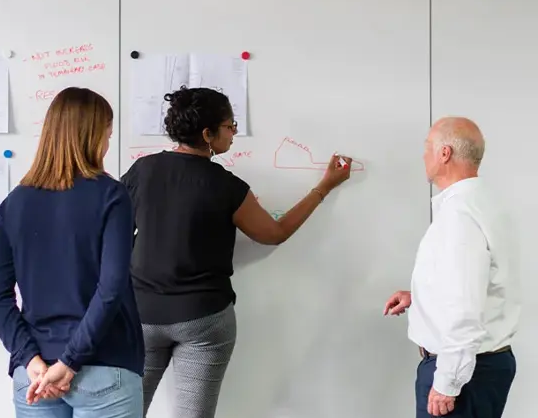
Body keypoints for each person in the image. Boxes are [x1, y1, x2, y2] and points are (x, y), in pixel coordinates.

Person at [119, 86, 353, 417]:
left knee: (124, 411)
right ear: (207, 134)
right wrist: (324, 186)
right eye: (230, 126)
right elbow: (275, 233)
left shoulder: (141, 171)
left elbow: (114, 233)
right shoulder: (226, 185)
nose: (234, 133)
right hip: (202, 317)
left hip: (141, 313)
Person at [0, 87, 145, 418]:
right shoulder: (111, 196)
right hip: (104, 366)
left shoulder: (15, 203)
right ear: (92, 135)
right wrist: (70, 361)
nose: (107, 145)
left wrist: (30, 359)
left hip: (35, 374)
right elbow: (111, 288)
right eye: (107, 135)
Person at [383, 117, 519, 418]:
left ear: (444, 153)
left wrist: (447, 382)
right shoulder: (483, 202)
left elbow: (464, 309)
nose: (423, 156)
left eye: (427, 147)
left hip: (465, 371)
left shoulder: (459, 215)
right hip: (481, 365)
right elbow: (476, 284)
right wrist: (420, 297)